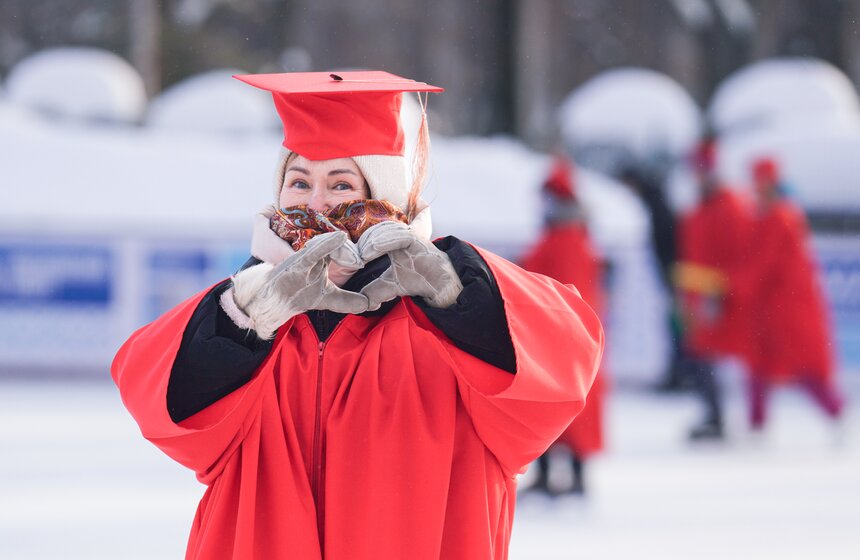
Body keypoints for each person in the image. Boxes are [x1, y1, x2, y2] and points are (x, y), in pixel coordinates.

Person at [111, 71, 604, 560]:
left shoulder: (449, 322)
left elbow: (562, 369)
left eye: (341, 184)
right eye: (299, 180)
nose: (316, 202)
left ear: (383, 197)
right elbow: (161, 405)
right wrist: (239, 318)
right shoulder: (249, 317)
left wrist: (461, 293)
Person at [520, 155, 607, 496]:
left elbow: (569, 292)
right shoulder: (568, 236)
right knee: (557, 406)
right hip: (558, 331)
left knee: (560, 406)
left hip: (562, 334)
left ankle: (570, 476)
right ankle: (559, 474)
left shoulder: (566, 239)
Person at [745, 156, 844, 432]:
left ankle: (835, 411)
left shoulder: (780, 217)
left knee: (800, 365)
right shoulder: (772, 215)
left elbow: (766, 264)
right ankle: (757, 423)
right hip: (773, 306)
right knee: (760, 365)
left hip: (788, 308)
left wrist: (737, 285)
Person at [675, 137, 754, 440]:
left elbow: (737, 253)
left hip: (717, 295)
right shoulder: (701, 207)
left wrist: (721, 291)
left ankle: (722, 417)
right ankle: (714, 415)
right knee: (699, 354)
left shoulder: (728, 206)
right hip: (700, 294)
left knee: (710, 355)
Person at [616, 161, 687, 393]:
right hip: (673, 272)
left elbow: (668, 243)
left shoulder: (655, 205)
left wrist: (669, 273)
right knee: (675, 324)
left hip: (674, 274)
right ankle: (679, 371)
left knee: (677, 324)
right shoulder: (656, 200)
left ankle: (680, 372)